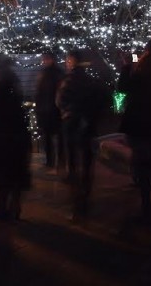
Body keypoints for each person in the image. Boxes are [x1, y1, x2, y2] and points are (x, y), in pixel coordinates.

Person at [119, 38, 151, 221]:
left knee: (142, 164)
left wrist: (127, 67)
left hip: (139, 124)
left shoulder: (142, 69)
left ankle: (146, 203)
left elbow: (123, 88)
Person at [0, 57, 32, 220]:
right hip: (17, 135)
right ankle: (15, 208)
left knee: (3, 175)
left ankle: (2, 208)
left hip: (2, 138)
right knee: (16, 174)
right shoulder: (14, 84)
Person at [56, 50, 98, 220]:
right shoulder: (91, 81)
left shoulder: (69, 80)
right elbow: (102, 99)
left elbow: (60, 100)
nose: (66, 63)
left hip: (72, 125)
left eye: (68, 60)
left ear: (72, 62)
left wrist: (66, 112)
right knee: (87, 162)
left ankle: (77, 203)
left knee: (73, 161)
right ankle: (85, 193)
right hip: (87, 125)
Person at [35, 50, 64, 170]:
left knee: (52, 137)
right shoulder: (55, 73)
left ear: (51, 59)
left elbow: (43, 93)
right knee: (52, 137)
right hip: (50, 110)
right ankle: (54, 160)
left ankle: (52, 160)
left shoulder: (51, 74)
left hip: (51, 110)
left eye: (46, 59)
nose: (43, 61)